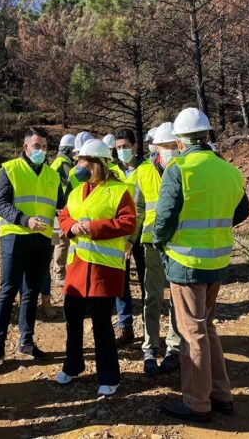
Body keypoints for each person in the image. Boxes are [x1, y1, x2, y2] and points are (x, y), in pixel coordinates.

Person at [154, 109, 249, 423]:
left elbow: (165, 218)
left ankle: (197, 403)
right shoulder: (229, 170)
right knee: (206, 327)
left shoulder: (179, 170)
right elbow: (242, 210)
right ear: (207, 136)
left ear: (180, 140)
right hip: (217, 261)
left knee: (192, 332)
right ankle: (221, 395)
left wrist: (160, 242)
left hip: (186, 262)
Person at [57, 139, 136, 396]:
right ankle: (73, 365)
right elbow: (65, 215)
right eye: (78, 160)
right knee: (73, 318)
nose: (79, 166)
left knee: (102, 323)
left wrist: (91, 228)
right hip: (77, 267)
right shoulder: (76, 190)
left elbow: (127, 223)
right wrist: (70, 227)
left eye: (83, 161)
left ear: (98, 164)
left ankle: (109, 375)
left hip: (103, 269)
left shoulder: (119, 190)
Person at [0, 127, 64, 368]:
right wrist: (24, 220)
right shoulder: (9, 169)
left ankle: (26, 341)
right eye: (37, 146)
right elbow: (0, 203)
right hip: (15, 236)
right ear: (26, 147)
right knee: (8, 290)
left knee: (31, 291)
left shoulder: (52, 175)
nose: (41, 150)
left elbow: (62, 205)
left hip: (41, 239)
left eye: (44, 147)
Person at [135, 123, 182, 376]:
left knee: (177, 298)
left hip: (178, 243)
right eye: (167, 147)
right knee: (152, 296)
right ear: (156, 149)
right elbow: (138, 209)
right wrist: (128, 241)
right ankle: (150, 348)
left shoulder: (185, 169)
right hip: (151, 243)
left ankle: (174, 348)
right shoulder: (142, 173)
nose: (171, 151)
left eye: (175, 146)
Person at [111, 128, 147, 347]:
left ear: (135, 146)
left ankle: (148, 327)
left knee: (146, 283)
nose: (122, 151)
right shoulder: (112, 172)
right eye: (118, 148)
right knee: (120, 283)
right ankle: (125, 327)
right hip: (118, 235)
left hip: (142, 235)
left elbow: (142, 209)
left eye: (125, 146)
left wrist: (131, 239)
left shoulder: (146, 170)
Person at [49, 134, 76, 288]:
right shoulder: (64, 164)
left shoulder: (59, 162)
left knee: (60, 240)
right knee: (62, 241)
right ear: (69, 149)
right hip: (61, 208)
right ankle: (59, 273)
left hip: (59, 207)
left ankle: (58, 270)